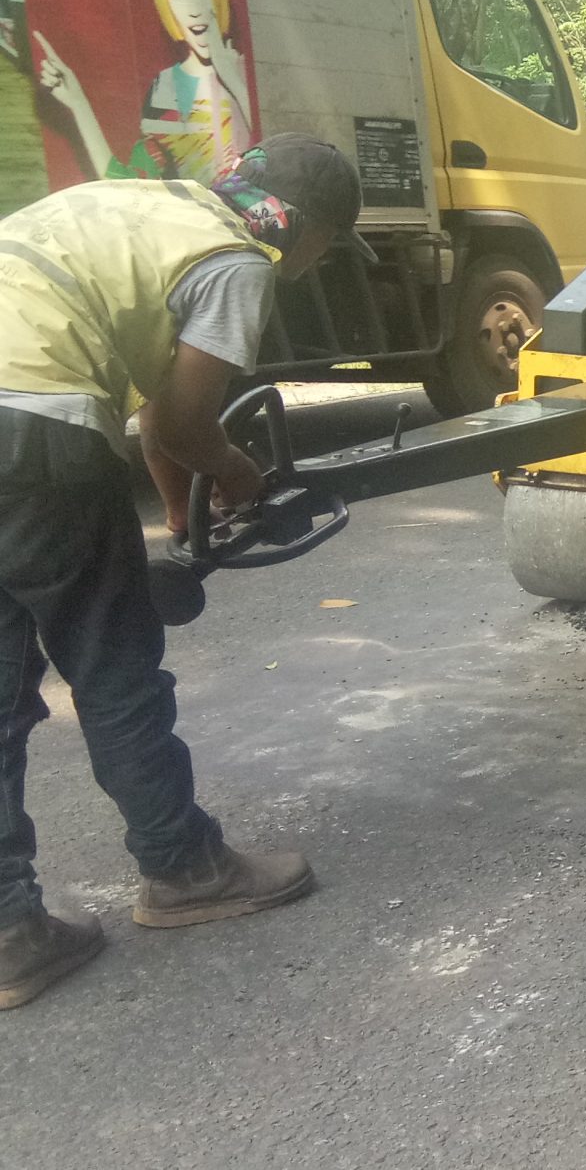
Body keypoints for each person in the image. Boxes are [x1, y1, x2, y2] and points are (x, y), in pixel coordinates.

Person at [0, 133, 363, 1010]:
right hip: (33, 431)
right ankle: (184, 868)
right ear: (308, 230)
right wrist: (241, 477)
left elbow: (157, 420)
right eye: (323, 253)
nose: (311, 270)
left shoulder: (144, 207)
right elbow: (190, 425)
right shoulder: (237, 259)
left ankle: (9, 931)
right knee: (114, 665)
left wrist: (176, 509)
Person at [38, 0, 256, 183]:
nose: (193, 8)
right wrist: (79, 104)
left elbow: (280, 158)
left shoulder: (247, 73)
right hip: (199, 221)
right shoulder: (164, 88)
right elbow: (127, 185)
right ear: (167, 6)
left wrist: (233, 79)